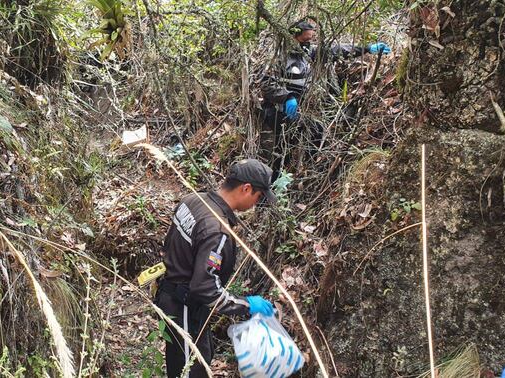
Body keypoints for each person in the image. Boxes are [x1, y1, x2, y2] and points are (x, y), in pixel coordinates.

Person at [155, 158, 278, 377]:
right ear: (246, 188)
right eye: (258, 197)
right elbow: (204, 289)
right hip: (183, 306)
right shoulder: (217, 230)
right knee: (189, 371)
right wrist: (246, 305)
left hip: (169, 295)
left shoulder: (193, 199)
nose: (256, 204)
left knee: (194, 358)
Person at [259, 19, 392, 171]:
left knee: (316, 130)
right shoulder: (279, 56)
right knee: (276, 155)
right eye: (304, 40)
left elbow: (336, 50)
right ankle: (266, 188)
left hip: (298, 112)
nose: (307, 44)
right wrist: (287, 97)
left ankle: (306, 173)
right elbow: (266, 83)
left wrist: (367, 48)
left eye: (310, 40)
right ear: (293, 37)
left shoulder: (309, 53)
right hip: (276, 113)